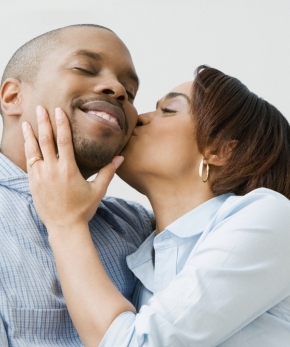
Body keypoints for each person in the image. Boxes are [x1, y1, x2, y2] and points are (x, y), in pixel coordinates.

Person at [23, 65, 290, 347]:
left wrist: (66, 223)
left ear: (221, 150)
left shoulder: (270, 216)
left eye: (169, 110)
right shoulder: (141, 252)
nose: (138, 119)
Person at [0, 24, 154, 347]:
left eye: (131, 91)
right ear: (12, 97)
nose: (117, 90)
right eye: (85, 68)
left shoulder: (139, 227)